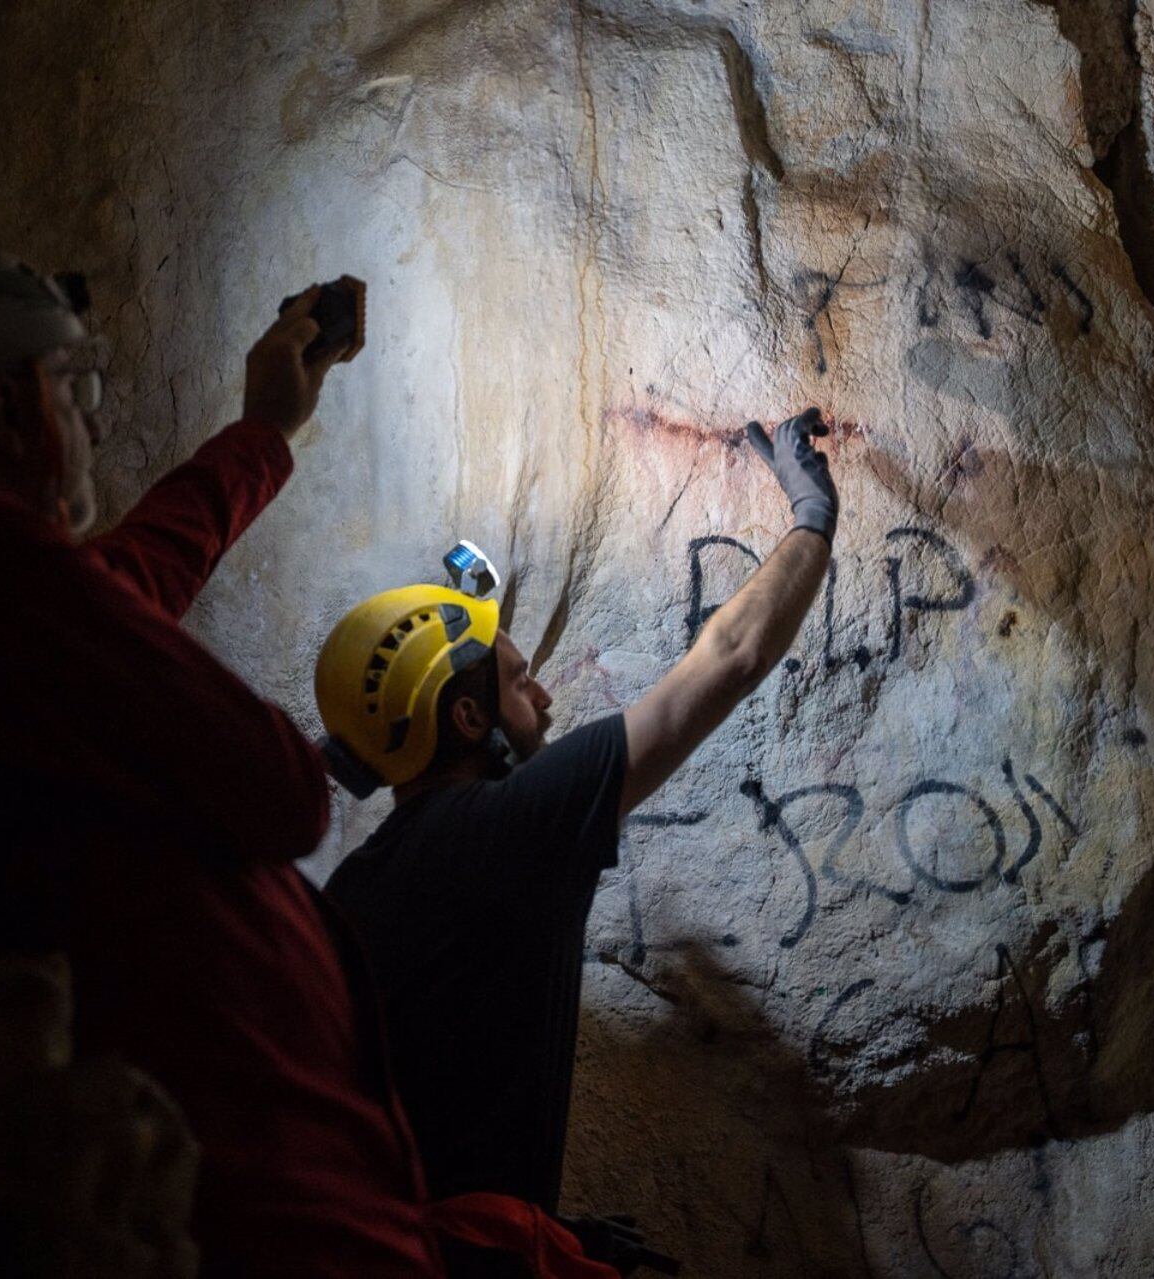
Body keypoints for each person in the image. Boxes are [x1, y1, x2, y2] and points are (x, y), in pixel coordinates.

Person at [0, 241, 609, 1278]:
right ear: (1, 411)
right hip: (263, 1200)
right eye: (64, 389)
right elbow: (274, 784)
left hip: (261, 1188)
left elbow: (123, 583)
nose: (83, 423)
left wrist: (265, 432)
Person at [315, 407, 840, 1253]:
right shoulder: (507, 828)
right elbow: (730, 658)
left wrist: (537, 1231)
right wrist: (811, 519)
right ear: (467, 714)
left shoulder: (357, 884)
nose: (546, 698)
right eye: (521, 683)